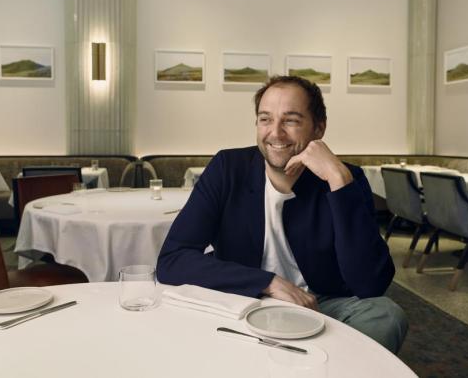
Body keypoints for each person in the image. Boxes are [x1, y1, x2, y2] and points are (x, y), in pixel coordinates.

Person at [157, 75, 408, 353]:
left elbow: (370, 284)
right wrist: (268, 283)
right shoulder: (228, 168)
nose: (275, 133)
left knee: (386, 316)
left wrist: (338, 181)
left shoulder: (346, 177)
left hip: (320, 304)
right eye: (265, 119)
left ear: (319, 128)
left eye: (291, 120)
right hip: (245, 298)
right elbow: (172, 260)